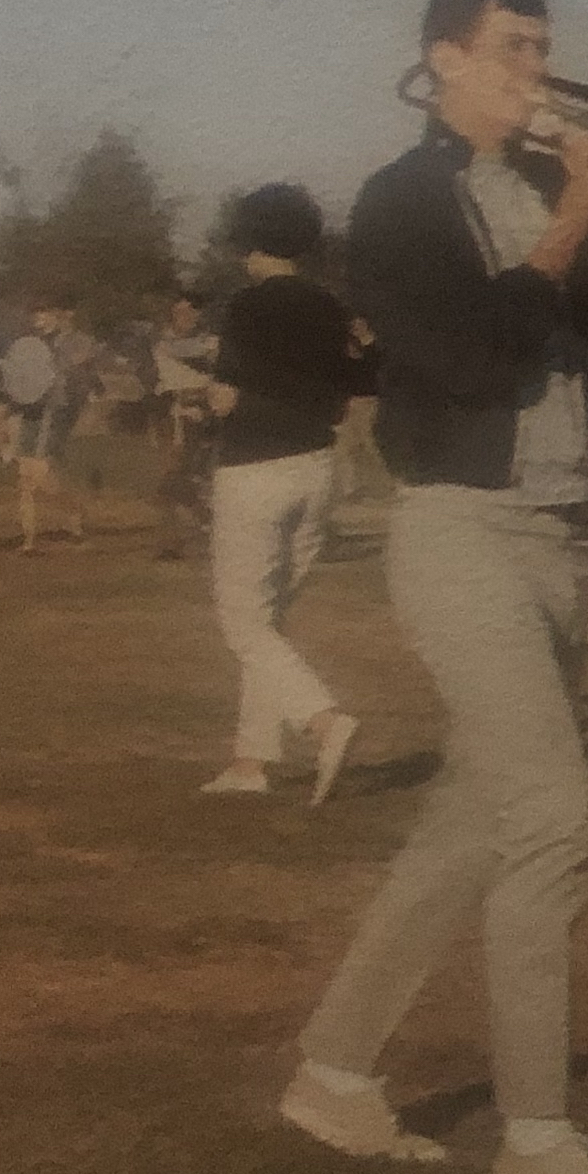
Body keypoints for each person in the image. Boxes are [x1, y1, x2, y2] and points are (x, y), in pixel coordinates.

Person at [283, 0, 588, 1174]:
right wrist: (567, 220)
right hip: (459, 532)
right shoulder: (403, 201)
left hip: (561, 537)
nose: (538, 71)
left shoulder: (534, 187)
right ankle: (535, 1138)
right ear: (442, 61)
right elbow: (469, 357)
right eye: (514, 50)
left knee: (468, 824)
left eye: (543, 48)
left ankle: (332, 1078)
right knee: (551, 818)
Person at [197, 186, 377, 800]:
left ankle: (323, 720)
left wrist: (204, 403)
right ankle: (251, 762)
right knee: (270, 621)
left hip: (255, 467)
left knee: (243, 622)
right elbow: (362, 378)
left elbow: (225, 396)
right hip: (317, 467)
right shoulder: (332, 305)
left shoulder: (246, 305)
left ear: (249, 242)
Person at [0, 296, 93, 554]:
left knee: (35, 476)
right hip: (31, 412)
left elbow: (76, 371)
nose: (38, 319)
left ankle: (70, 515)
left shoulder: (75, 341)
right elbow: (20, 380)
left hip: (53, 413)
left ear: (60, 314)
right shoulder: (29, 345)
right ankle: (32, 538)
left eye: (44, 313)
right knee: (28, 477)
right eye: (36, 314)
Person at [148, 290, 220, 562]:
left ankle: (205, 529)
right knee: (171, 479)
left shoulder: (209, 343)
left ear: (199, 315)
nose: (184, 318)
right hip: (171, 417)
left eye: (190, 312)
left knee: (190, 478)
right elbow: (161, 381)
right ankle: (175, 540)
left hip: (203, 417)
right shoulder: (163, 345)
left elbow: (216, 377)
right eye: (179, 313)